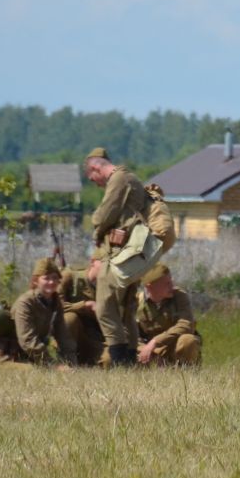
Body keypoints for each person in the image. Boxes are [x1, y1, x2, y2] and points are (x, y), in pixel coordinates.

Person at [85, 147, 149, 367]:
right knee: (126, 309)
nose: (94, 182)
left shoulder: (119, 178)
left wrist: (96, 230)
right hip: (132, 252)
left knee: (104, 307)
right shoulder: (128, 177)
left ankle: (121, 362)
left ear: (95, 167)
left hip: (122, 253)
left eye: (92, 177)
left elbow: (105, 213)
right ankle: (129, 361)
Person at [0, 257, 74, 366]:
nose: (51, 282)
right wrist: (53, 365)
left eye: (54, 278)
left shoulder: (56, 303)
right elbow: (28, 341)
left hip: (30, 357)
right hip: (8, 356)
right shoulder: (25, 303)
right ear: (36, 281)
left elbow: (63, 337)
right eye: (46, 278)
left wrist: (71, 364)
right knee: (38, 374)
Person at [135, 265, 201, 368]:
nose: (172, 286)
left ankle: (186, 373)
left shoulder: (179, 296)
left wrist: (155, 342)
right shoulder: (136, 302)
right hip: (147, 351)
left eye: (171, 281)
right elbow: (128, 333)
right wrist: (147, 350)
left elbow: (185, 325)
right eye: (167, 283)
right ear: (150, 286)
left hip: (173, 347)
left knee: (188, 340)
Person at [59, 259, 103, 368]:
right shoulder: (69, 277)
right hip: (70, 334)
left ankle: (86, 362)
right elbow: (54, 307)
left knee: (110, 360)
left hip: (94, 337)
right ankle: (67, 362)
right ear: (93, 262)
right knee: (69, 318)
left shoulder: (110, 287)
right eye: (104, 262)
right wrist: (84, 305)